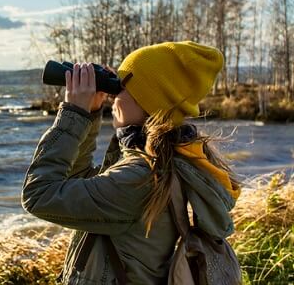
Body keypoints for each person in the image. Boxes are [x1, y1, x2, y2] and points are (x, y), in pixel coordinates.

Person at [21, 41, 241, 284]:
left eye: (122, 87)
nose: (114, 97)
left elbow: (38, 194)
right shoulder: (160, 161)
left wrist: (74, 113)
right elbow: (77, 182)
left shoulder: (140, 177)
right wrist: (92, 115)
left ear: (148, 100)